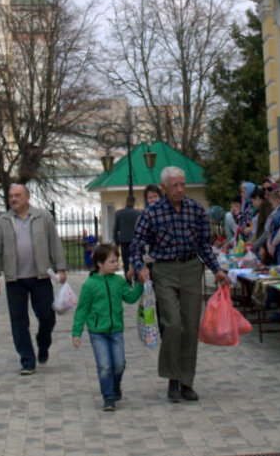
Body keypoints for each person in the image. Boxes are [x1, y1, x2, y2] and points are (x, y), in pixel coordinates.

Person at [130, 165, 230, 403]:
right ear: (164, 187)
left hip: (190, 269)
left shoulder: (195, 209)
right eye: (174, 185)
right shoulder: (152, 212)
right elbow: (136, 244)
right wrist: (140, 266)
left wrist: (217, 270)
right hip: (164, 271)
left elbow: (205, 244)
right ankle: (172, 378)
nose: (180, 189)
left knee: (190, 327)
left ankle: (186, 382)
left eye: (182, 184)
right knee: (172, 323)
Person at [0, 183, 67, 376]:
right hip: (15, 279)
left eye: (18, 195)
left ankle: (43, 342)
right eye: (11, 196)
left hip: (40, 276)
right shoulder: (3, 221)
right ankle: (27, 360)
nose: (13, 199)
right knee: (18, 321)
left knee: (48, 316)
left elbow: (54, 243)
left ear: (27, 197)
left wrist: (61, 268)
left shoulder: (42, 217)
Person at [71, 243, 144, 412]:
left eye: (116, 261)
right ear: (100, 263)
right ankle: (108, 397)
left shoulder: (118, 281)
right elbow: (82, 310)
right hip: (98, 332)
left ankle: (115, 386)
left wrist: (139, 284)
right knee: (104, 365)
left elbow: (130, 298)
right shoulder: (90, 285)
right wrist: (77, 333)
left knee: (119, 364)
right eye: (112, 261)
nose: (115, 264)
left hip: (116, 329)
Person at [111, 195, 142, 278]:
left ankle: (127, 280)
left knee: (125, 262)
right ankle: (136, 279)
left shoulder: (119, 213)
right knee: (135, 260)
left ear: (126, 202)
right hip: (135, 241)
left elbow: (115, 229)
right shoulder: (138, 213)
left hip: (123, 240)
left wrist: (116, 242)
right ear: (133, 203)